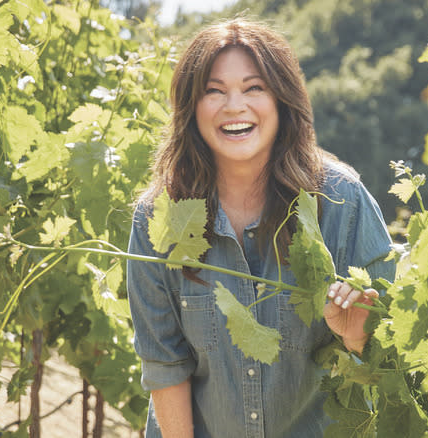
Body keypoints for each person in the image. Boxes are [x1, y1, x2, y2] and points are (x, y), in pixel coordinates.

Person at [126, 17, 395, 438]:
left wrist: (359, 339)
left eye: (254, 88)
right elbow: (165, 366)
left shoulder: (342, 203)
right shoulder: (156, 219)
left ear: (282, 100)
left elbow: (391, 361)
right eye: (214, 91)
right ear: (191, 108)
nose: (235, 106)